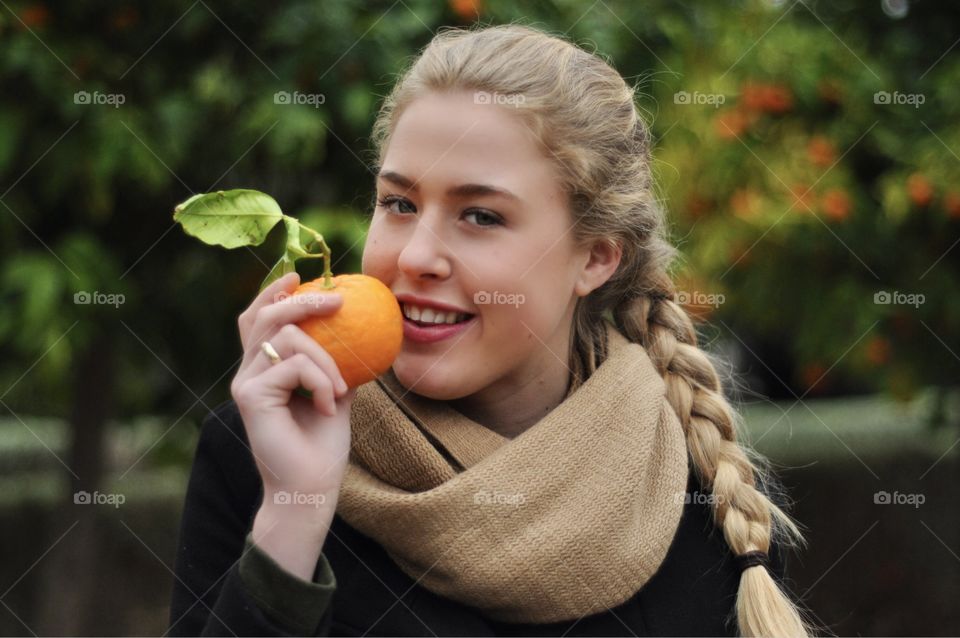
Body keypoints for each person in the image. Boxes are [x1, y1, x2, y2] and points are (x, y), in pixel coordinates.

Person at [168, 23, 819, 637]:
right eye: (398, 203)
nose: (416, 256)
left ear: (595, 256)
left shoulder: (698, 485)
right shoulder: (258, 454)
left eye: (479, 215)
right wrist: (293, 519)